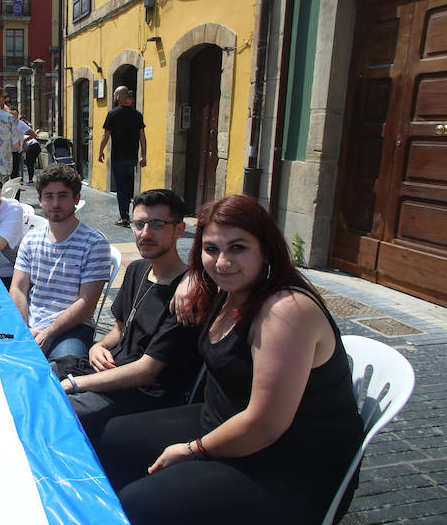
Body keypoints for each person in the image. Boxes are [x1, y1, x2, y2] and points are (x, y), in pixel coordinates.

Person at [96, 195, 364, 525]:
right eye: (211, 249)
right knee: (111, 436)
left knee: (139, 503)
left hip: (286, 461)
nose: (222, 261)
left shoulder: (286, 311)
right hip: (223, 420)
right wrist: (195, 275)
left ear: (265, 248)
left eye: (238, 247)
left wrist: (191, 450)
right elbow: (199, 270)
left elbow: (265, 426)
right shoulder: (228, 286)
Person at [52, 189, 201, 439]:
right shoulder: (138, 270)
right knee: (32, 377)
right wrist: (96, 347)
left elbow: (146, 371)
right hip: (108, 368)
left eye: (157, 225)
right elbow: (120, 329)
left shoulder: (185, 297)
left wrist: (74, 384)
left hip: (141, 392)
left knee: (53, 411)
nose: (145, 233)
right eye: (139, 224)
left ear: (179, 230)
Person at [10, 164, 111, 360]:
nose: (55, 203)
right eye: (49, 196)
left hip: (73, 327)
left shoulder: (94, 243)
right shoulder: (31, 239)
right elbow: (18, 289)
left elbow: (87, 304)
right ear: (40, 200)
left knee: (64, 370)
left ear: (77, 198)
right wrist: (24, 329)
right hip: (30, 322)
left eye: (63, 195)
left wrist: (48, 333)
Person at [98, 86, 147, 227]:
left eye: (115, 95)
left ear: (119, 96)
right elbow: (142, 137)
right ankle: (132, 214)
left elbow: (105, 136)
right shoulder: (137, 114)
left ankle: (124, 217)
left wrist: (100, 151)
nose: (114, 97)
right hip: (132, 157)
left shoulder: (112, 114)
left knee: (121, 187)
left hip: (118, 157)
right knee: (129, 186)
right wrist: (144, 155)